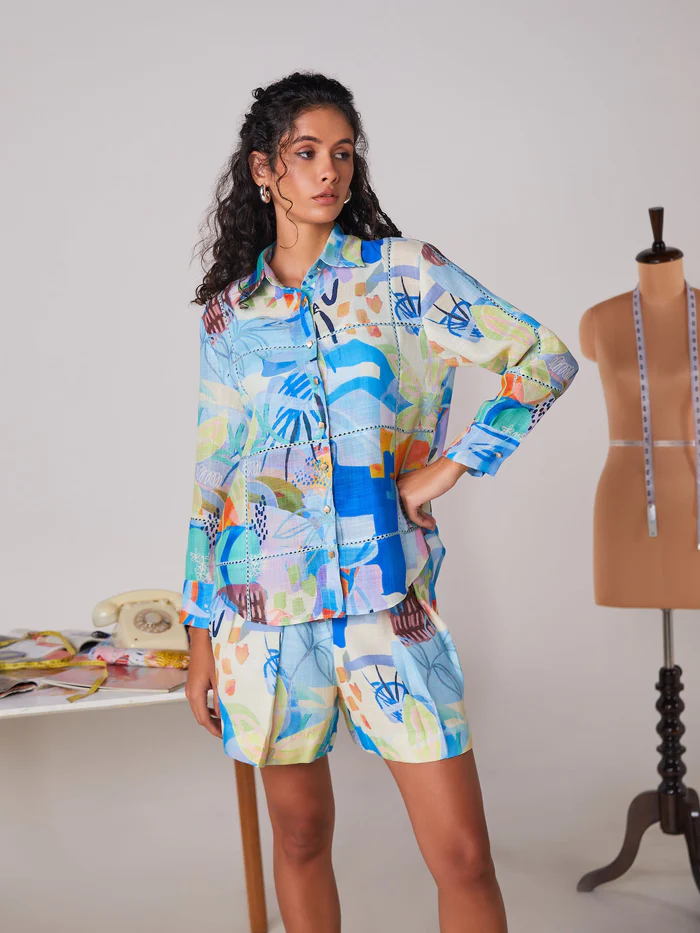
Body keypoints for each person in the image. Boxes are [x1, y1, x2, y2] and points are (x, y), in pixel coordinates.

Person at [180, 71, 579, 933]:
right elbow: (215, 476)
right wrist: (200, 630)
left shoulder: (404, 276)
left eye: (343, 153)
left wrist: (451, 466)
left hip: (386, 602)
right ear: (264, 170)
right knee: (300, 836)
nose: (329, 171)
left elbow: (544, 359)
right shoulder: (228, 316)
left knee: (463, 855)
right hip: (264, 614)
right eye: (306, 153)